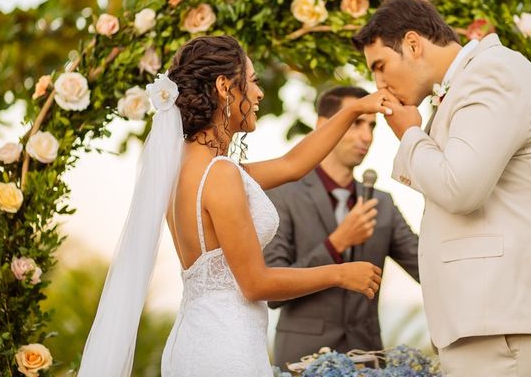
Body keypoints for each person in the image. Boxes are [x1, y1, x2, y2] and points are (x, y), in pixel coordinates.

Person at [78, 35, 390, 377]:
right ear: (225, 87)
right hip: (226, 350)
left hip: (194, 341)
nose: (258, 94)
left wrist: (354, 109)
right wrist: (340, 273)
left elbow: (293, 164)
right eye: (253, 82)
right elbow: (255, 283)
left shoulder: (183, 168)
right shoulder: (220, 174)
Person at [352, 0, 531, 377]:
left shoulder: (491, 74)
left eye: (380, 66)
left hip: (511, 320)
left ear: (413, 44)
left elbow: (461, 187)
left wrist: (410, 134)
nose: (378, 83)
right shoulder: (472, 80)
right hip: (498, 318)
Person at [264, 86, 419, 369]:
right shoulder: (282, 196)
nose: (366, 136)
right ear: (324, 126)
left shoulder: (382, 203)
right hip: (302, 361)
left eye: (372, 126)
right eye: (356, 122)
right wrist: (335, 244)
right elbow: (272, 291)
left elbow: (426, 268)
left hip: (368, 361)